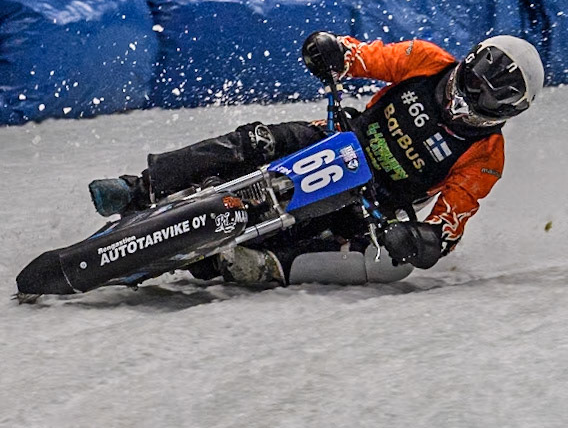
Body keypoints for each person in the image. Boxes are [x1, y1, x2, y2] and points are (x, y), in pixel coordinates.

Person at [85, 33, 544, 287]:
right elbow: (366, 57)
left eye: (484, 99)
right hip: (337, 138)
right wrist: (333, 51)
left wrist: (421, 239)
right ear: (467, 63)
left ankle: (271, 265)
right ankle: (142, 186)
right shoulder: (426, 60)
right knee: (257, 140)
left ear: (506, 111)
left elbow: (450, 221)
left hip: (371, 204)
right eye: (470, 83)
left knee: (391, 265)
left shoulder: (486, 157)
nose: (466, 99)